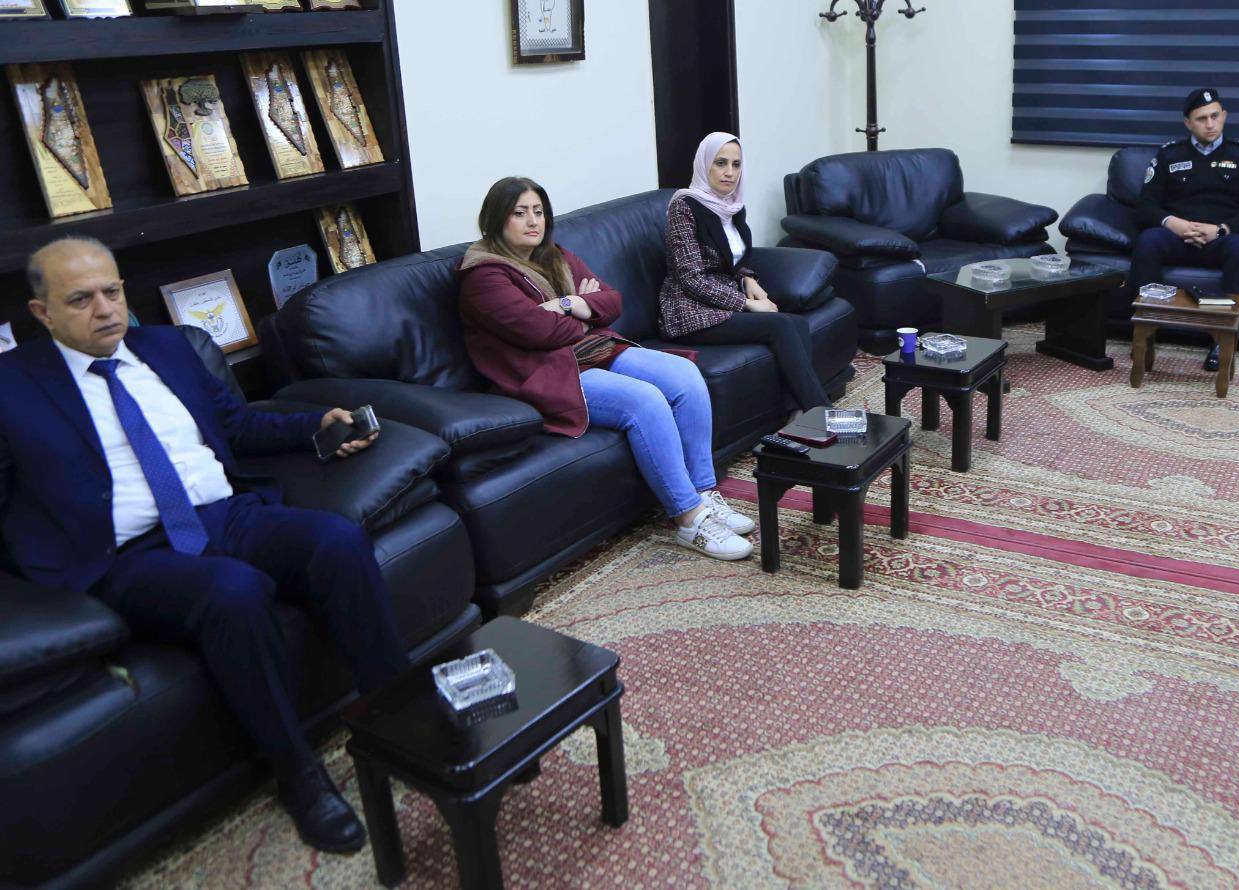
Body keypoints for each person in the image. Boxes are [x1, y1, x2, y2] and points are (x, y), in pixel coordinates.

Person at [0, 237, 406, 855]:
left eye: (112, 291)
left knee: (337, 539)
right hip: (129, 554)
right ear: (42, 313)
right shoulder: (11, 388)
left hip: (226, 514)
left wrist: (313, 425)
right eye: (80, 300)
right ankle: (298, 773)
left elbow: (235, 425)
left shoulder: (169, 347)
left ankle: (399, 713)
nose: (105, 309)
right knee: (233, 592)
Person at [458, 177, 756, 561]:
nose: (533, 221)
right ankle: (689, 518)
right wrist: (584, 314)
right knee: (645, 401)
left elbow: (612, 301)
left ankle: (703, 492)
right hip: (548, 372)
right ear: (496, 219)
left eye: (538, 212)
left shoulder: (554, 256)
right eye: (520, 213)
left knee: (685, 376)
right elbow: (538, 331)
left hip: (594, 349)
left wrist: (569, 305)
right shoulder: (483, 277)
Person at [658, 132, 831, 415]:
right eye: (720, 163)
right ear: (704, 164)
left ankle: (797, 416)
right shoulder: (684, 206)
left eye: (736, 164)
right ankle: (821, 413)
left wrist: (747, 278)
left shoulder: (732, 205)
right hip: (689, 311)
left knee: (797, 323)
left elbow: (734, 256)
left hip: (722, 301)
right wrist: (747, 304)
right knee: (781, 325)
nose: (729, 172)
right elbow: (691, 279)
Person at [1131, 88, 1239, 371]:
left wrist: (1221, 229)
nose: (1210, 124)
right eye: (1201, 118)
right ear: (1188, 123)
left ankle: (1222, 340)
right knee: (1147, 241)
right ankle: (1146, 334)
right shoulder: (1169, 155)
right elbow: (1145, 206)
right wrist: (1174, 223)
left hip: (1220, 239)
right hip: (1176, 237)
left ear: (1224, 116)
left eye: (1215, 116)